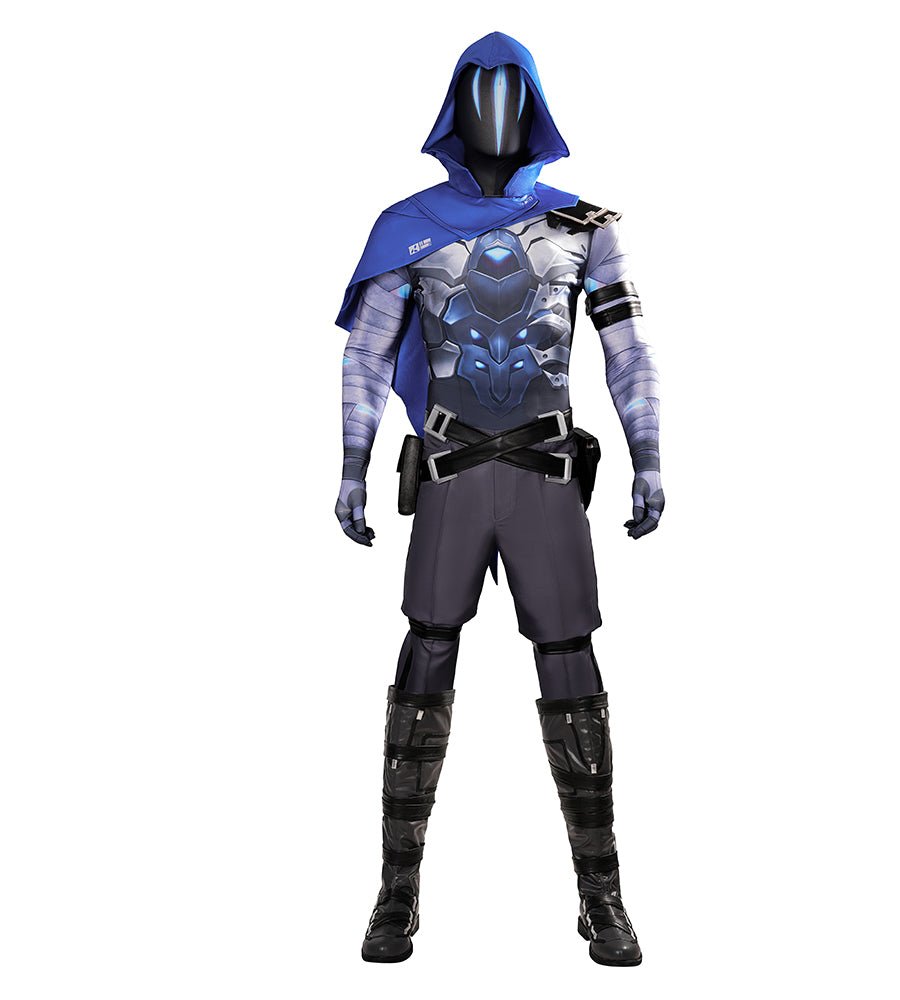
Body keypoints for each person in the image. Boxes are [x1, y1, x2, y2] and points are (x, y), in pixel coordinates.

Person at [335, 32, 663, 967]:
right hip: (450, 474)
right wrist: (353, 462)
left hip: (543, 478)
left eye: (509, 92)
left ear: (534, 107)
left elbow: (628, 351)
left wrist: (648, 453)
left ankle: (602, 895)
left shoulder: (585, 226)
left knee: (569, 661)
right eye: (477, 93)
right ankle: (397, 893)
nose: (493, 110)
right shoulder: (407, 227)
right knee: (426, 654)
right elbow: (366, 354)